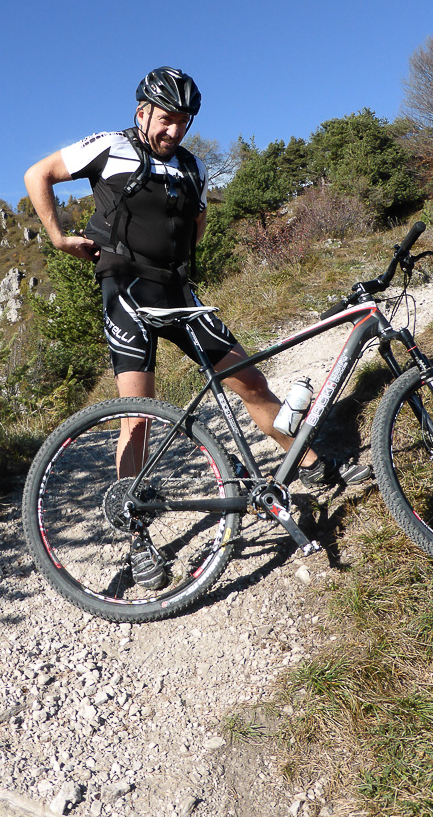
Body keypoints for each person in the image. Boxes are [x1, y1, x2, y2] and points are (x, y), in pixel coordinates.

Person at [24, 66, 370, 588]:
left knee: (250, 381)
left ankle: (313, 466)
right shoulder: (109, 146)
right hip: (126, 291)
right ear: (142, 113)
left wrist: (179, 257)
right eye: (166, 119)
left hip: (177, 291)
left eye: (183, 121)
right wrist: (58, 237)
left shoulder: (193, 166)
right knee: (137, 416)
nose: (174, 130)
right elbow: (38, 174)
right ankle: (138, 536)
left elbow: (199, 220)